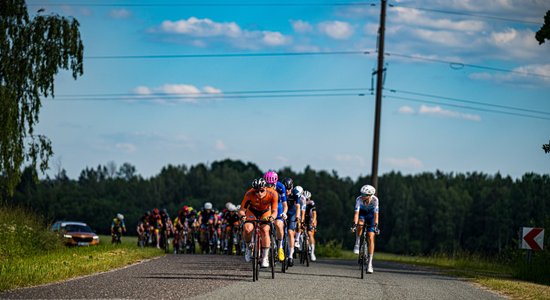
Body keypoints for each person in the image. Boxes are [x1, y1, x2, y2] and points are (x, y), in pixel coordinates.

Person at [238, 178, 278, 268]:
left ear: (265, 188)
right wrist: (242, 216)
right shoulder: (249, 194)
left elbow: (275, 210)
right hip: (252, 211)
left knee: (265, 229)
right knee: (247, 229)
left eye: (262, 191)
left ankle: (265, 257)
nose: (259, 193)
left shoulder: (273, 193)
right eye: (256, 191)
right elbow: (241, 210)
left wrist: (272, 217)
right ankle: (248, 247)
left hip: (266, 211)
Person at [351, 184, 380, 274]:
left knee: (371, 237)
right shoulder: (358, 199)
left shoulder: (375, 200)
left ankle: (370, 263)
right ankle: (357, 241)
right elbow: (356, 214)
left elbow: (376, 215)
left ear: (370, 195)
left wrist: (376, 226)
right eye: (362, 194)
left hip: (371, 215)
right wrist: (354, 225)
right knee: (360, 224)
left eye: (364, 195)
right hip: (362, 214)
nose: (362, 196)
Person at [264, 170, 288, 262]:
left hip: (278, 206)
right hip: (266, 206)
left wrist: (284, 213)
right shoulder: (263, 187)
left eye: (272, 185)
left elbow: (285, 204)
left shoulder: (281, 187)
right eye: (268, 184)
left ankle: (280, 247)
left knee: (278, 224)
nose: (270, 187)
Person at [285, 183, 303, 266]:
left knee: (290, 232)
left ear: (291, 188)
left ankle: (290, 256)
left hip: (292, 214)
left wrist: (297, 217)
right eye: (286, 189)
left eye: (289, 189)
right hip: (283, 213)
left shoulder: (295, 193)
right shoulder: (280, 192)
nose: (287, 191)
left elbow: (298, 207)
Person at [302, 190, 317, 261]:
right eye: (305, 199)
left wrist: (313, 221)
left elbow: (314, 214)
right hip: (303, 217)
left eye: (307, 199)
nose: (306, 201)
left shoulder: (311, 203)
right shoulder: (300, 202)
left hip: (309, 218)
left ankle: (312, 252)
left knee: (310, 233)